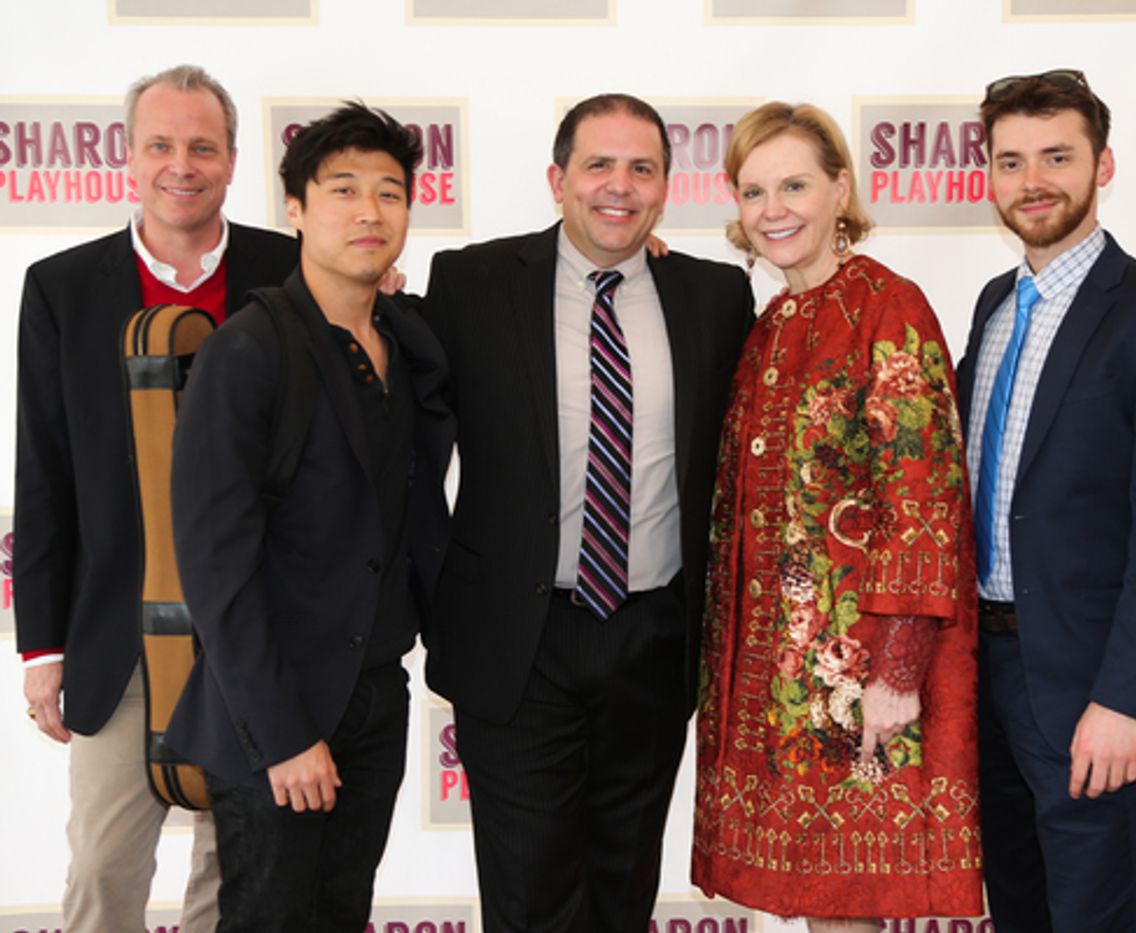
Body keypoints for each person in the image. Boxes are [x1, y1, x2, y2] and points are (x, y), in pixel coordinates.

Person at [420, 93, 753, 933]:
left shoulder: (715, 297)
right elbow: (404, 436)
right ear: (557, 179)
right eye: (599, 165)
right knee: (530, 893)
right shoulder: (470, 282)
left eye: (643, 168)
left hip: (652, 637)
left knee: (622, 884)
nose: (621, 186)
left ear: (667, 188)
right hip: (516, 645)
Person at [13, 64, 298, 933]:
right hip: (117, 636)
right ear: (128, 158)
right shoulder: (63, 286)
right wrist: (42, 646)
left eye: (203, 146)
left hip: (259, 628)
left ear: (233, 159)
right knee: (104, 872)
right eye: (163, 145)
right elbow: (45, 469)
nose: (184, 164)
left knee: (241, 874)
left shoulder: (293, 270)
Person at [691, 102, 982, 928]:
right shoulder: (770, 325)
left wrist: (895, 672)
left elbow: (924, 498)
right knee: (817, 907)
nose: (773, 209)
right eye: (753, 191)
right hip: (773, 683)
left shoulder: (889, 307)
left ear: (840, 188)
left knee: (850, 907)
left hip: (860, 678)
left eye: (794, 185)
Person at [164, 102, 454, 932]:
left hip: (375, 696)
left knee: (340, 915)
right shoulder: (248, 350)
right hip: (276, 708)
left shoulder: (409, 335)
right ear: (294, 209)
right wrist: (284, 733)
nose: (370, 212)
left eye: (390, 192)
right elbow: (216, 564)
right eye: (343, 190)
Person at [959, 70, 1136, 932]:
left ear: (1103, 164)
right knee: (1021, 906)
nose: (1032, 180)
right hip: (985, 671)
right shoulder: (995, 305)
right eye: (1011, 160)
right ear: (989, 174)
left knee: (1097, 914)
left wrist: (1126, 699)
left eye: (1057, 156)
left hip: (1090, 688)